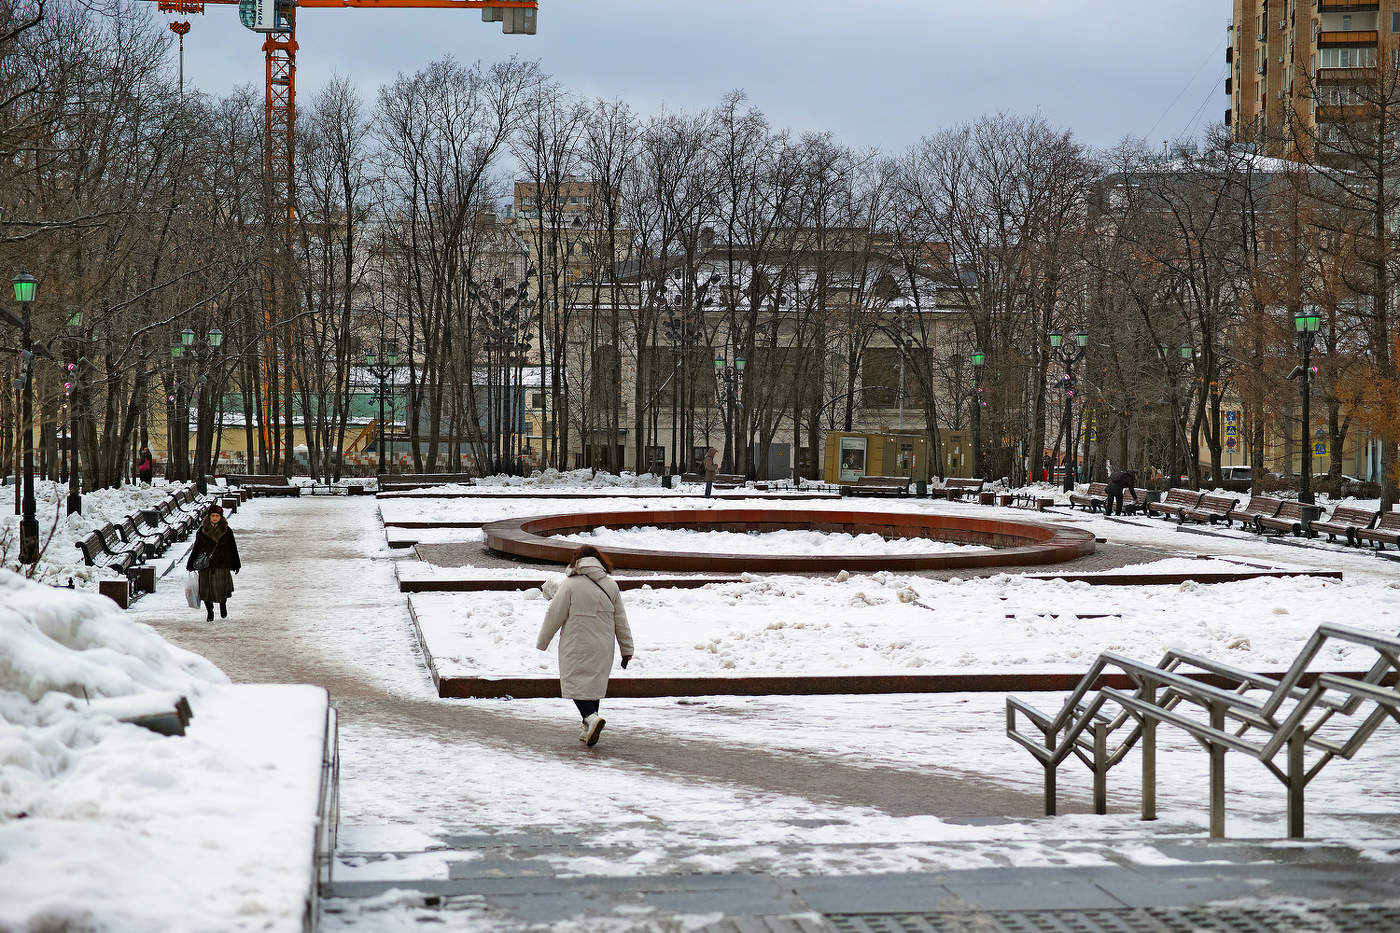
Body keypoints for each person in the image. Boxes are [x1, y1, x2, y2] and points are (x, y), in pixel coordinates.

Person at [536, 545, 634, 747]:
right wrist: (627, 650)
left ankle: (590, 718)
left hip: (576, 644)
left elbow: (554, 615)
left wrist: (542, 642)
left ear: (577, 561)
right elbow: (621, 620)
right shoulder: (611, 585)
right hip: (603, 645)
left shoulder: (570, 585)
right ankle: (587, 728)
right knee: (593, 686)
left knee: (573, 683)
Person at [187, 504, 241, 621]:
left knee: (221, 588)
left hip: (222, 563)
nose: (215, 518)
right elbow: (196, 548)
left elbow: (233, 548)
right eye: (213, 515)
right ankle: (210, 612)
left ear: (221, 517)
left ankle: (222, 604)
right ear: (209, 516)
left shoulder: (227, 531)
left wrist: (236, 563)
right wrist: (190, 563)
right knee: (205, 590)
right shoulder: (202, 531)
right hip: (206, 564)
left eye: (217, 516)